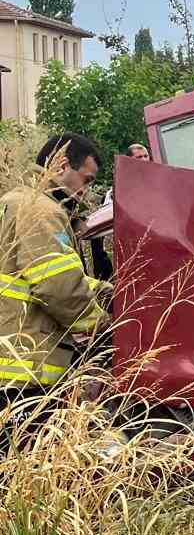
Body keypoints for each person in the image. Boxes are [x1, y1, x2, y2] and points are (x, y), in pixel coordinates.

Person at [0, 134, 108, 392]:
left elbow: (38, 273)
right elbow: (57, 285)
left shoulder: (16, 201)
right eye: (86, 180)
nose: (86, 192)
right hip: (25, 368)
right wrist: (102, 323)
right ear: (61, 165)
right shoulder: (41, 210)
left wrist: (103, 291)